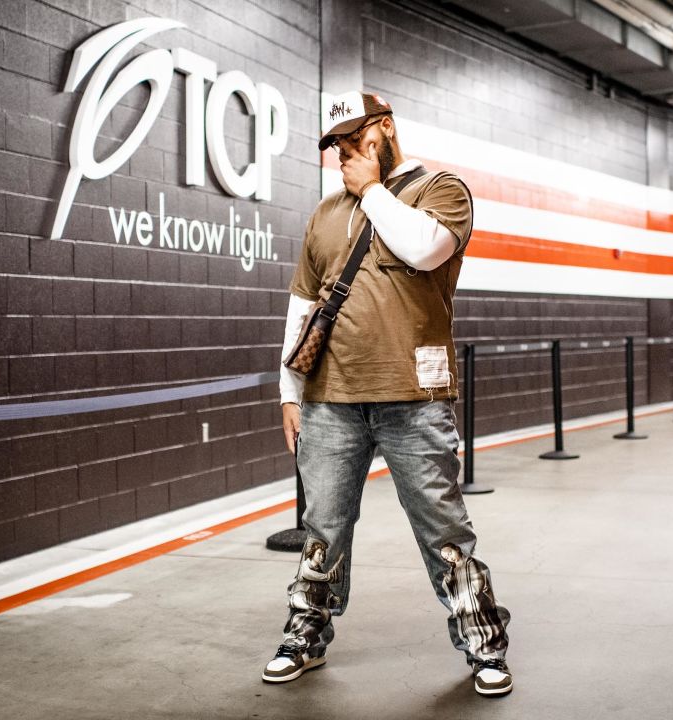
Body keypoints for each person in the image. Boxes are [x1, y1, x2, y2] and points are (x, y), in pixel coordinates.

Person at [261, 91, 512, 697]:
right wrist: (287, 391)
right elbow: (302, 307)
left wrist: (373, 188)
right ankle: (307, 634)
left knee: (442, 525)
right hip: (329, 398)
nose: (345, 154)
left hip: (414, 399)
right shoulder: (324, 214)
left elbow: (427, 249)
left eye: (356, 140)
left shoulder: (441, 190)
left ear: (386, 130)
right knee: (322, 525)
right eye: (337, 146)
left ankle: (483, 643)